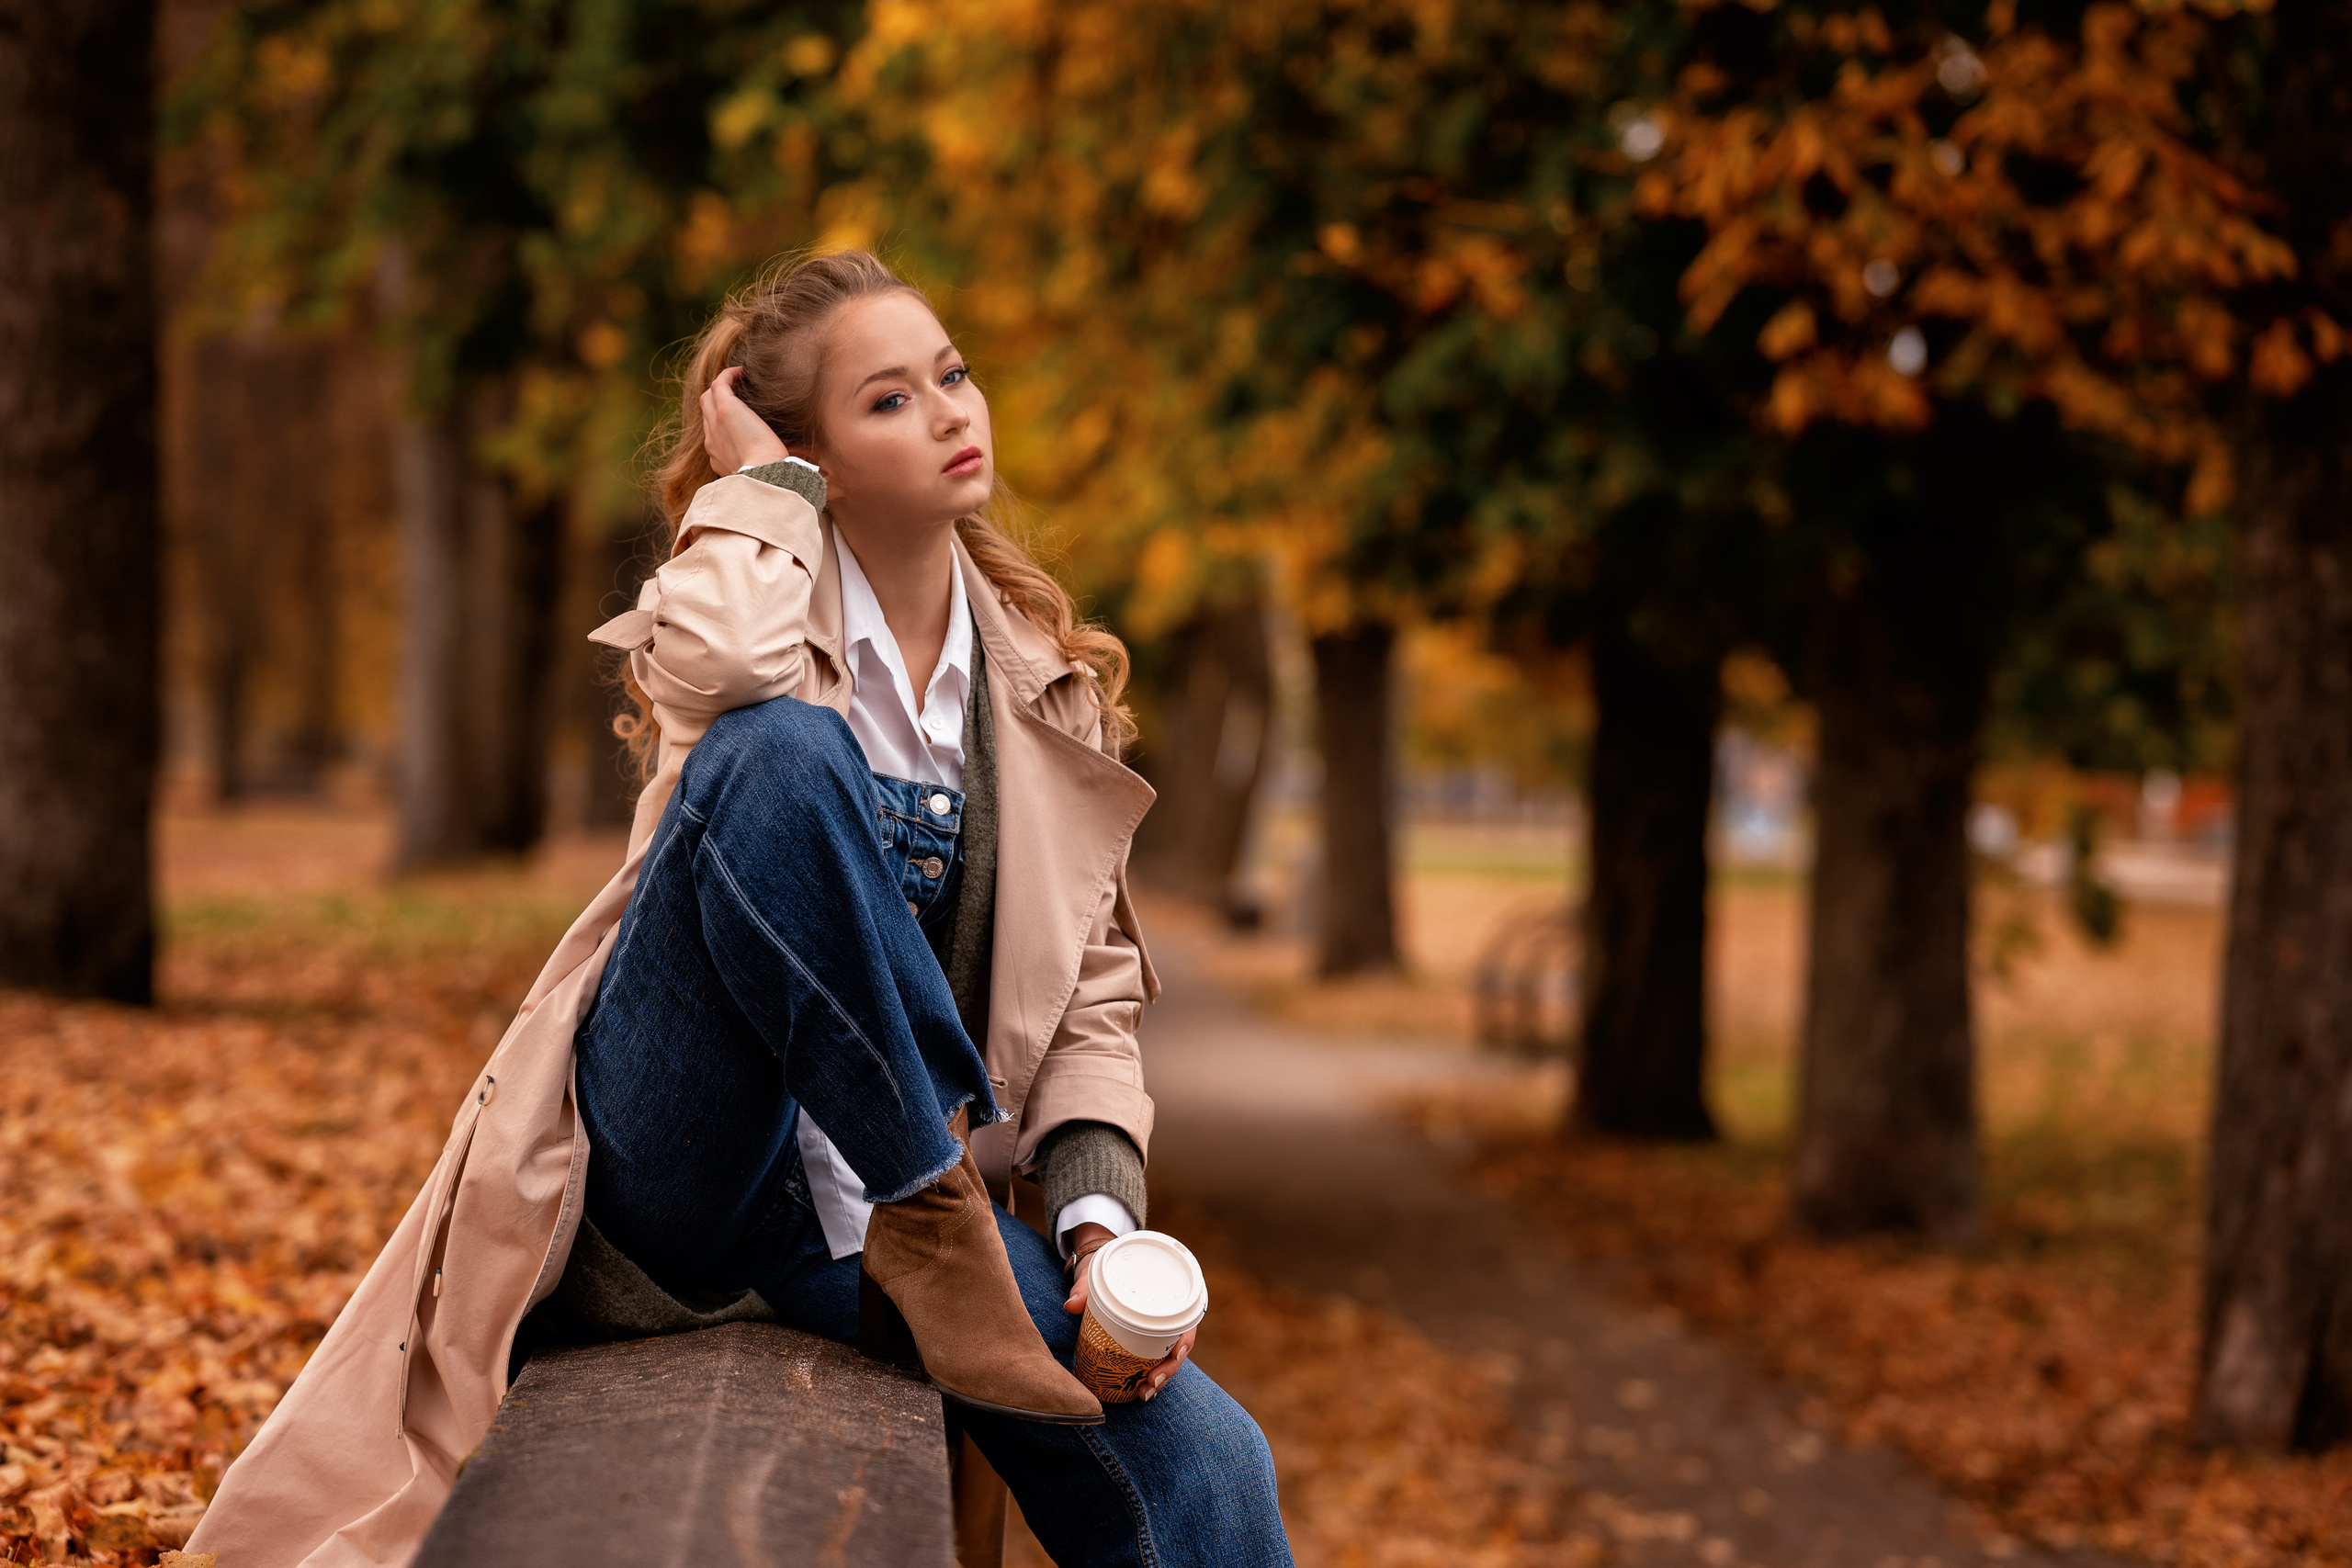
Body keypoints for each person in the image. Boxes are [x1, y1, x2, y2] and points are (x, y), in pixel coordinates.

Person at [187, 252, 1292, 1568]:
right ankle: (931, 1212)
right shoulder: (751, 602)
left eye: (953, 374)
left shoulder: (1045, 690)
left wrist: (1098, 1218)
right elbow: (723, 674)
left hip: (859, 1240)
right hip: (691, 1156)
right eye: (888, 400)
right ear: (809, 453)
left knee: (1216, 1463)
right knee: (777, 753)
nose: (950, 412)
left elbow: (1091, 999)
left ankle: (928, 1235)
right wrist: (759, 493)